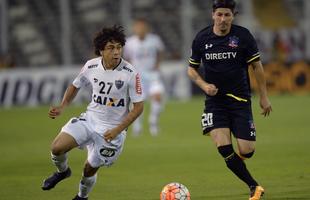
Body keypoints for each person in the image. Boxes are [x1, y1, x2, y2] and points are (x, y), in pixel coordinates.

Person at [41, 25, 144, 200]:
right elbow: (75, 85)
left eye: (119, 47)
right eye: (111, 48)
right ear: (101, 50)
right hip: (89, 120)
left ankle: (82, 197)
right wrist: (63, 105)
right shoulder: (91, 65)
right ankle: (62, 172)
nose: (116, 52)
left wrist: (118, 130)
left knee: (89, 169)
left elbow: (139, 107)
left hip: (111, 131)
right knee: (56, 148)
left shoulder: (130, 73)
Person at [187, 1, 272, 200]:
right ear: (213, 15)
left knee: (247, 150)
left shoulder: (243, 36)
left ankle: (238, 161)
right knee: (225, 149)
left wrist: (264, 96)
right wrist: (204, 85)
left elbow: (257, 67)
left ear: (233, 16)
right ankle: (254, 186)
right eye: (219, 15)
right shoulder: (202, 38)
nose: (223, 19)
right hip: (215, 102)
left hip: (240, 101)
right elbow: (191, 69)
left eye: (227, 15)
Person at [123, 18, 165, 136]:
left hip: (152, 75)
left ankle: (153, 123)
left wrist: (157, 65)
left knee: (157, 96)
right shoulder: (130, 42)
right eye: (138, 27)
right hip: (138, 77)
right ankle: (137, 127)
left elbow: (160, 52)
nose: (141, 29)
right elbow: (126, 58)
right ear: (135, 29)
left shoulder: (155, 40)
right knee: (137, 103)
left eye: (143, 27)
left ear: (147, 28)